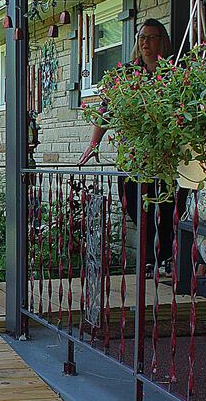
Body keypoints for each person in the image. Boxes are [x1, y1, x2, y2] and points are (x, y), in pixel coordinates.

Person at [78, 18, 186, 276]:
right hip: (133, 157)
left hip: (166, 156)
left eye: (151, 37)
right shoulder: (125, 74)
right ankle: (149, 259)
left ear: (162, 41)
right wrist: (94, 144)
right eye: (141, 38)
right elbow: (106, 109)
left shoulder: (174, 72)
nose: (145, 42)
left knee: (169, 207)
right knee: (137, 207)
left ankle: (168, 259)